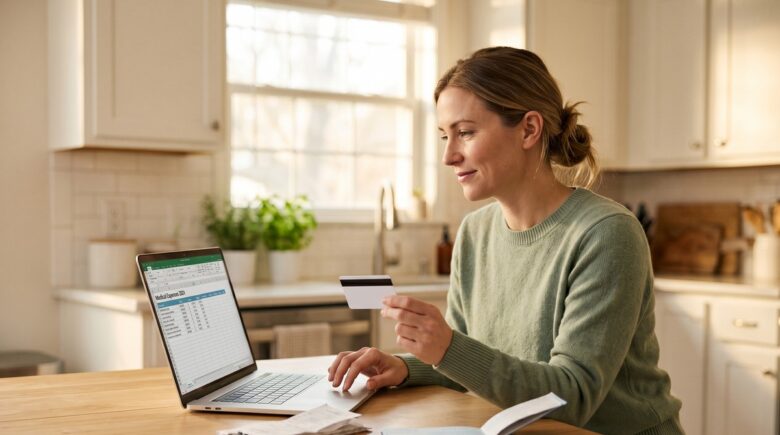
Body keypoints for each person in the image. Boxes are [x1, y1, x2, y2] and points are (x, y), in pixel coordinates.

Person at [328, 47, 683, 435]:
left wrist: (447, 347)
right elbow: (471, 364)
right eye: (445, 136)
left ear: (529, 129)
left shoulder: (607, 233)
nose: (448, 155)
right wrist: (406, 367)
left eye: (465, 133)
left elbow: (573, 398)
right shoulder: (475, 232)